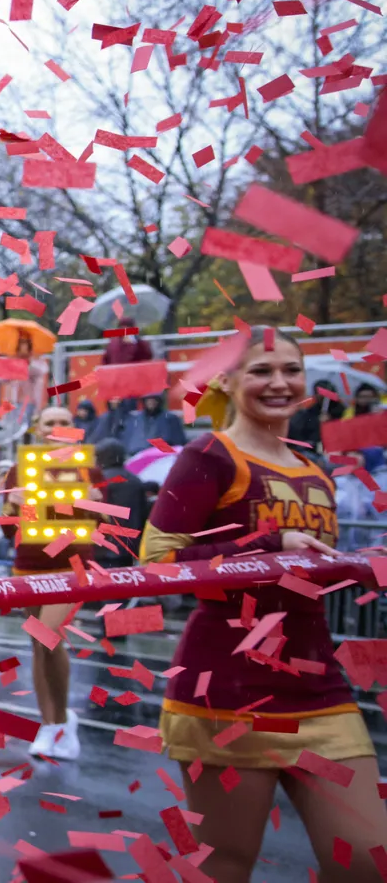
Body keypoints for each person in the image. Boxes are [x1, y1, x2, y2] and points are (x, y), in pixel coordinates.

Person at [139, 327, 385, 882]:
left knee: (369, 861)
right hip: (226, 693)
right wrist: (270, 546)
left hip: (320, 690)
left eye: (291, 370)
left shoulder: (316, 467)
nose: (280, 383)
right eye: (261, 371)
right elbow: (156, 561)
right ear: (228, 380)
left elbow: (309, 573)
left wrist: (359, 565)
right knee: (224, 868)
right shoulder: (208, 453)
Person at [12, 404, 96, 759]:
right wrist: (16, 505)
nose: (58, 426)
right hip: (29, 565)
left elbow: (105, 509)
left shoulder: (87, 466)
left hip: (72, 566)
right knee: (37, 642)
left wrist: (93, 502)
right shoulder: (19, 468)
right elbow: (9, 519)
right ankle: (50, 724)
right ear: (37, 427)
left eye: (65, 421)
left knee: (48, 638)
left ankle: (61, 722)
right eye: (51, 422)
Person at [93, 439, 149, 567]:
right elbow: (143, 514)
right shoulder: (134, 481)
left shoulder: (98, 482)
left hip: (101, 548)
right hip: (129, 547)